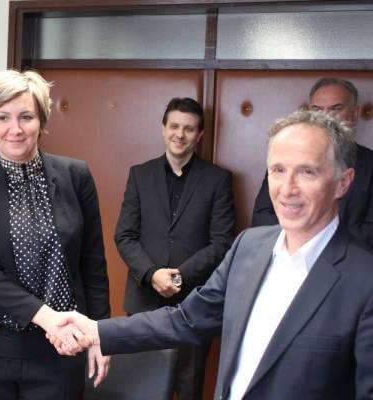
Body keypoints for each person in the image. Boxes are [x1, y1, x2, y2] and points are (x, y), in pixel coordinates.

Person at [51, 110, 373, 399]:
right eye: (278, 169)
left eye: (307, 172)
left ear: (343, 183)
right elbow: (186, 319)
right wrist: (96, 330)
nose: (287, 188)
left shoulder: (365, 282)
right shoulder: (249, 247)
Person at [0, 69, 111, 399]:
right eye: (3, 117)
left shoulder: (76, 175)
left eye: (26, 116)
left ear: (42, 120)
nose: (15, 129)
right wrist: (47, 318)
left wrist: (101, 334)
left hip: (59, 350)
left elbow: (93, 264)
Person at [114, 97, 235, 399]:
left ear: (200, 134)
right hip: (143, 302)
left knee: (189, 388)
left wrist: (178, 276)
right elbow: (124, 236)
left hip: (194, 304)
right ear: (163, 128)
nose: (180, 134)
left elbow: (222, 242)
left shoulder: (218, 179)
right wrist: (152, 274)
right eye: (174, 126)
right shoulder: (139, 175)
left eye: (189, 129)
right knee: (140, 388)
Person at [252, 77, 373, 248]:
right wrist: (297, 243)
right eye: (317, 110)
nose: (325, 117)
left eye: (335, 109)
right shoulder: (286, 159)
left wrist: (316, 244)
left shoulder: (370, 164)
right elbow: (262, 217)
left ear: (354, 114)